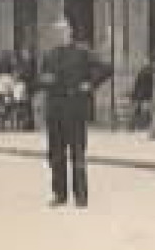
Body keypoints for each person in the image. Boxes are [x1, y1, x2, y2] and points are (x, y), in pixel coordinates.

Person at [35, 18, 113, 209]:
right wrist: (45, 80)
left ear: (70, 33)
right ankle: (59, 194)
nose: (60, 36)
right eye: (57, 33)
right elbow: (40, 79)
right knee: (56, 155)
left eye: (64, 32)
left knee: (78, 154)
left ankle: (81, 197)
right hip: (55, 111)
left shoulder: (82, 52)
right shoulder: (49, 56)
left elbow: (106, 68)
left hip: (75, 110)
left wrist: (90, 84)